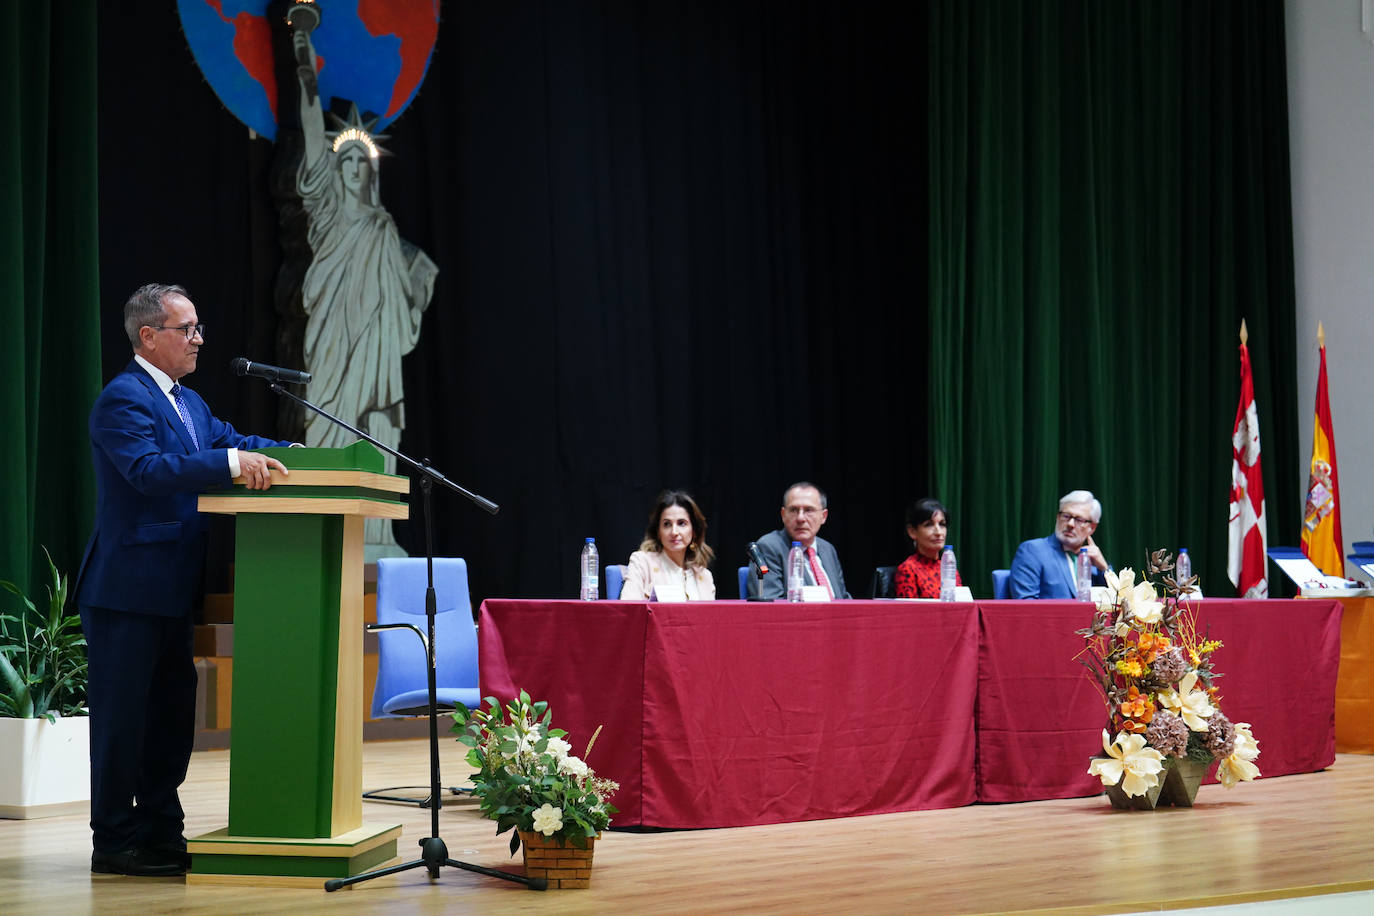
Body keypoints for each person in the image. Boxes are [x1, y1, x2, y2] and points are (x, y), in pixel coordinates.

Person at [75, 284, 295, 877]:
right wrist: (230, 465)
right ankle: (114, 842)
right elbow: (147, 472)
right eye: (187, 329)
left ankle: (161, 832)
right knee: (123, 723)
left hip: (174, 589)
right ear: (149, 336)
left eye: (198, 328)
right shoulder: (123, 399)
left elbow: (237, 442)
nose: (199, 340)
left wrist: (299, 456)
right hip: (126, 590)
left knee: (170, 721)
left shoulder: (189, 403)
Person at [282, 19, 438, 558]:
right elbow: (308, 123)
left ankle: (376, 534)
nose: (351, 168)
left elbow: (406, 295)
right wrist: (304, 55)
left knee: (378, 421)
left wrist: (416, 286)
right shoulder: (324, 210)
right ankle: (327, 526)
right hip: (331, 334)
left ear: (371, 172)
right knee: (326, 418)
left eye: (360, 162)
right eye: (342, 159)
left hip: (376, 345)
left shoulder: (385, 227)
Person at [749, 482, 850, 600]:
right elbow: (772, 603)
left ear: (823, 516)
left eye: (809, 510)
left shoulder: (827, 549)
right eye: (793, 510)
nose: (800, 518)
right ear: (783, 515)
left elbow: (843, 598)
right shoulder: (769, 547)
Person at [1008, 489, 1110, 599]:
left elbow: (1116, 603)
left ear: (1092, 527)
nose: (1070, 524)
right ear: (1058, 517)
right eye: (1066, 516)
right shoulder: (1032, 551)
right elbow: (1026, 604)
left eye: (1079, 519)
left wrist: (1104, 568)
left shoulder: (1092, 561)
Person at [619, 490, 716, 600]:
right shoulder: (642, 562)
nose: (674, 532)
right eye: (667, 524)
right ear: (658, 532)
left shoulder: (704, 575)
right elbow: (628, 608)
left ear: (694, 531)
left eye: (682, 523)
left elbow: (711, 617)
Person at [894, 498, 962, 598]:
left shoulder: (948, 568)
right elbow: (908, 612)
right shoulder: (908, 569)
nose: (939, 532)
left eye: (942, 524)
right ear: (912, 531)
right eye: (929, 525)